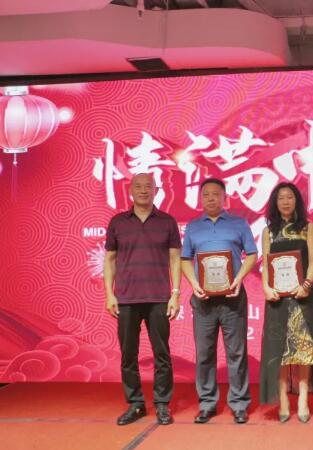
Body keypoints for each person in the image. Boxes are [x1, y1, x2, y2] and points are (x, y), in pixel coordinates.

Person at [104, 173, 181, 426]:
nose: (143, 190)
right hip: (126, 298)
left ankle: (162, 404)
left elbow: (175, 259)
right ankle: (135, 403)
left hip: (159, 297)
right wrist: (109, 293)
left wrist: (175, 293)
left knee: (162, 354)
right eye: (138, 186)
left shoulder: (167, 221)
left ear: (156, 190)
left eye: (148, 186)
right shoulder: (118, 222)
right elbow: (110, 260)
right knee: (128, 354)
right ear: (130, 190)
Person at [181, 178, 257, 424]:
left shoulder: (239, 223)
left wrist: (239, 279)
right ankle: (207, 403)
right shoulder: (193, 227)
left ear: (225, 197)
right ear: (201, 198)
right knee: (204, 353)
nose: (211, 198)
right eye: (206, 194)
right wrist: (194, 284)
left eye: (216, 194)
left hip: (232, 297)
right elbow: (185, 259)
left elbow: (252, 254)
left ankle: (239, 403)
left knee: (237, 352)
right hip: (203, 299)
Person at [259, 182, 313, 423]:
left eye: (290, 197)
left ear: (296, 201)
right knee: (278, 349)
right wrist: (266, 287)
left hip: (302, 296)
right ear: (275, 203)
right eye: (281, 198)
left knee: (304, 349)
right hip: (276, 298)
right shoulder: (268, 232)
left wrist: (306, 285)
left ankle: (303, 399)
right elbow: (265, 264)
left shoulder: (308, 228)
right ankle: (283, 399)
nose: (286, 202)